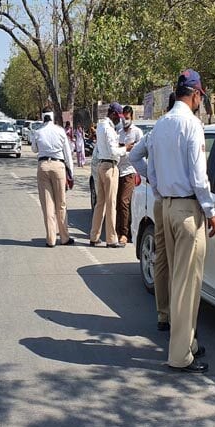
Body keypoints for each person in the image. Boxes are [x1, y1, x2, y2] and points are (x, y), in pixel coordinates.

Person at [148, 69, 215, 373]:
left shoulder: (160, 125)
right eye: (201, 97)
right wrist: (211, 209)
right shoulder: (192, 125)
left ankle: (188, 342)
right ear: (196, 95)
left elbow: (151, 170)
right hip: (189, 210)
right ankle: (180, 356)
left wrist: (163, 192)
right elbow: (199, 175)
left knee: (180, 279)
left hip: (166, 206)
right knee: (187, 284)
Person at [129, 95, 177, 331]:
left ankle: (163, 314)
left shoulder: (156, 130)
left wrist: (152, 180)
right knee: (179, 263)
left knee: (161, 260)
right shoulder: (186, 128)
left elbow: (133, 156)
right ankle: (180, 319)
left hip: (160, 201)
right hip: (180, 203)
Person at [32, 113, 75, 248]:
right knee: (61, 203)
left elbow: (34, 149)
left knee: (47, 205)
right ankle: (64, 237)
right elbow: (67, 153)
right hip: (58, 166)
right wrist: (71, 173)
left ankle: (50, 239)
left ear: (42, 117)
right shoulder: (60, 131)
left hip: (43, 166)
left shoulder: (38, 131)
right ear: (53, 117)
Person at [90, 102, 128, 248]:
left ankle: (94, 236)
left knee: (100, 203)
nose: (119, 120)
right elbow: (113, 151)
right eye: (118, 117)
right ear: (113, 114)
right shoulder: (109, 129)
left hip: (101, 165)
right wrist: (125, 148)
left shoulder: (100, 126)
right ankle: (112, 239)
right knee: (111, 203)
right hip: (110, 167)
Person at [115, 106, 143, 245]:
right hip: (117, 171)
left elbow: (139, 151)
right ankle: (117, 230)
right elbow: (115, 150)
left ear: (132, 117)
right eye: (122, 118)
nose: (124, 120)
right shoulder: (118, 132)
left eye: (127, 118)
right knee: (117, 203)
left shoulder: (137, 132)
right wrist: (125, 148)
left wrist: (126, 150)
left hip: (130, 171)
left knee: (124, 202)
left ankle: (124, 233)